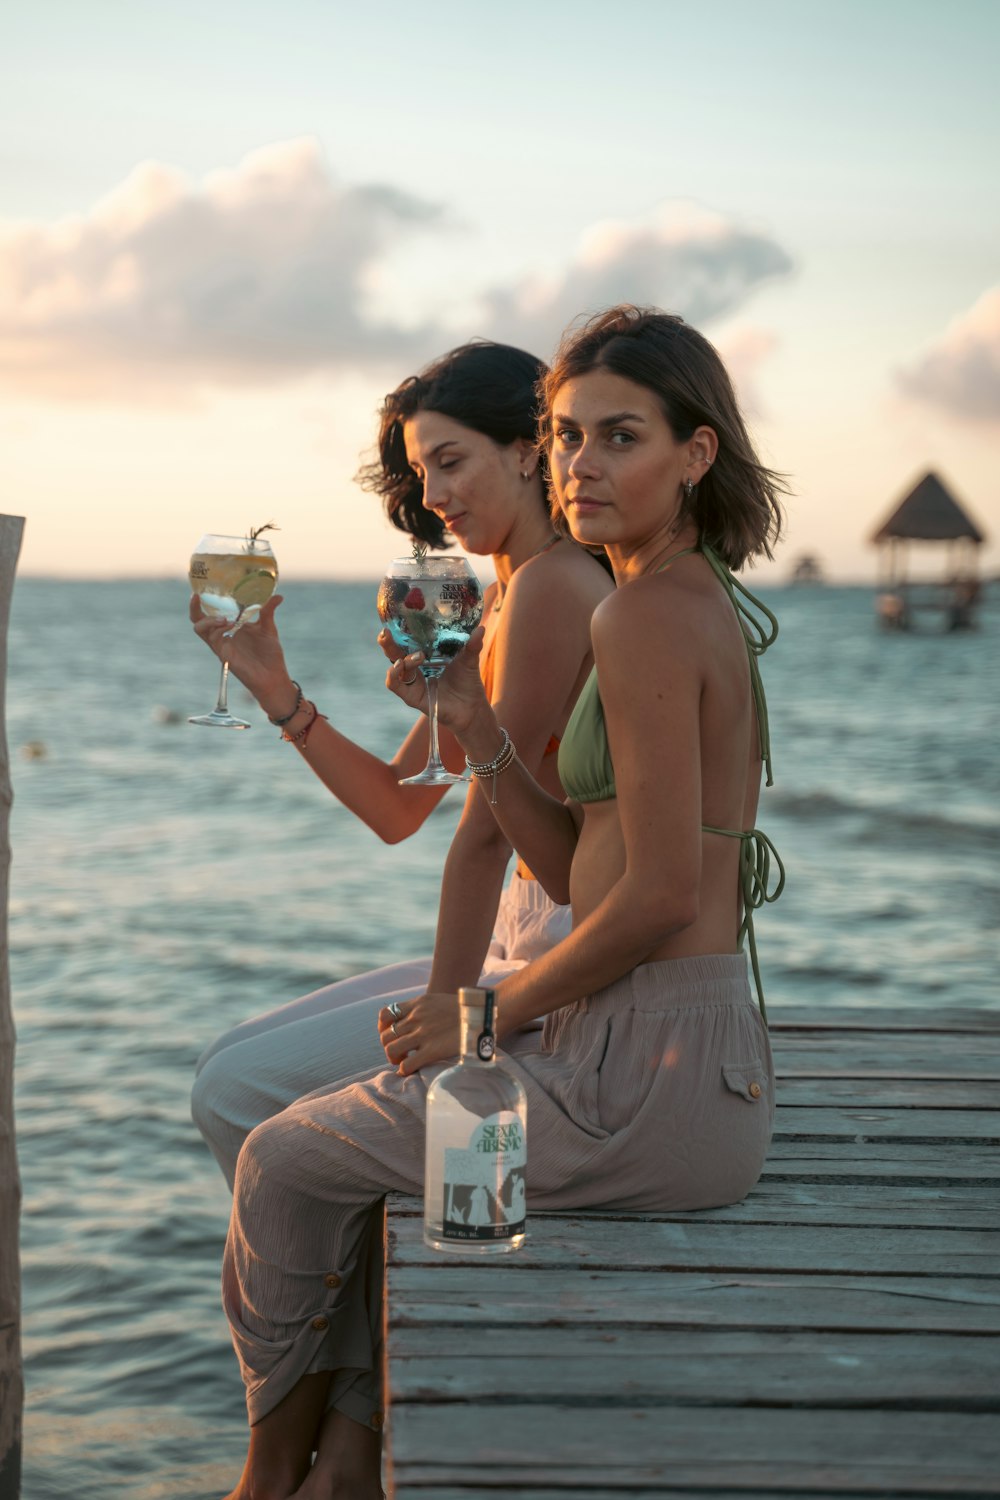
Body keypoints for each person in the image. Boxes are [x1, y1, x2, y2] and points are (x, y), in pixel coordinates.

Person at [215, 306, 786, 1500]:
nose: (583, 465)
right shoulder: (670, 596)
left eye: (615, 438)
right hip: (679, 1059)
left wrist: (475, 1017)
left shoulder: (620, 607)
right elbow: (586, 870)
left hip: (638, 1078)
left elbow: (653, 892)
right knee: (310, 1138)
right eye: (571, 435)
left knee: (273, 1149)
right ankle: (338, 1453)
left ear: (696, 453)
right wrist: (471, 730)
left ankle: (288, 1478)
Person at [190, 341, 613, 1190]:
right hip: (517, 942)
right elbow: (396, 808)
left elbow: (485, 840)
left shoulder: (550, 588)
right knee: (228, 1063)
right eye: (422, 472)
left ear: (530, 450)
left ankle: (336, 1310)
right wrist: (277, 689)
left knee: (235, 1093)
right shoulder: (503, 594)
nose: (434, 495)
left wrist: (452, 1027)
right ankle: (343, 1287)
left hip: (554, 966)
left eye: (451, 462)